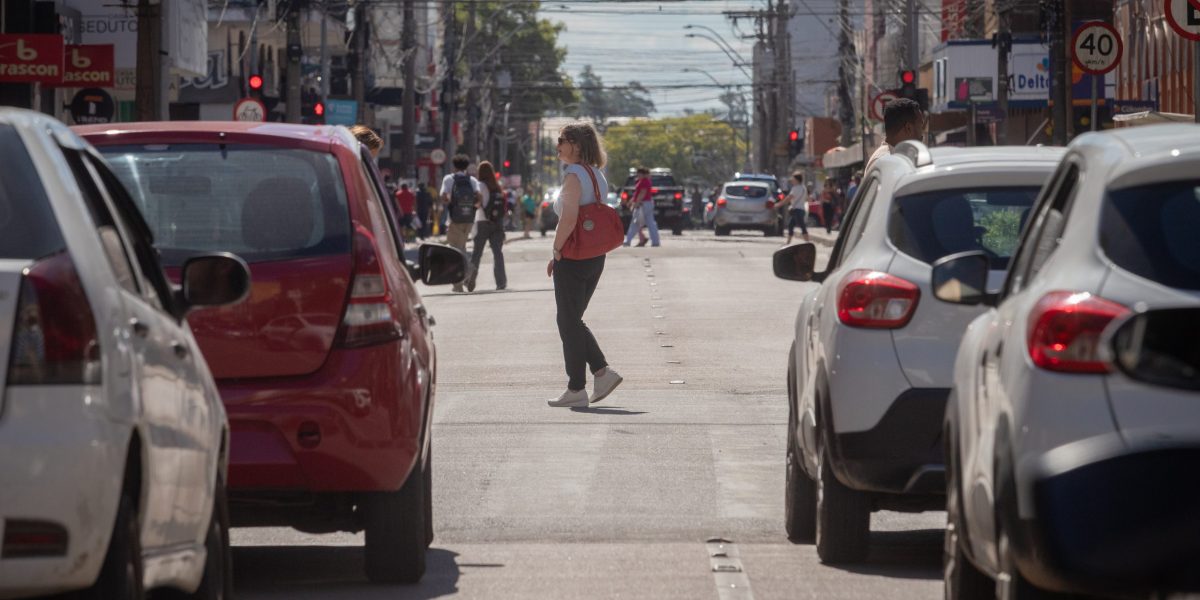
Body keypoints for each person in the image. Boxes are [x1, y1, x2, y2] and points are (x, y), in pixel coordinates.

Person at [546, 122, 622, 408]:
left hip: (574, 256)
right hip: (595, 255)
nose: (558, 146)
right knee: (572, 320)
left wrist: (556, 251)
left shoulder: (573, 175)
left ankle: (585, 382)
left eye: (562, 140)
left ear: (576, 145)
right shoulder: (596, 175)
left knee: (568, 320)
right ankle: (593, 378)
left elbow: (567, 219)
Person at [464, 161, 510, 292]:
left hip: (482, 222)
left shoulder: (479, 185)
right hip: (497, 222)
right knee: (498, 253)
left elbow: (477, 203)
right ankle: (501, 282)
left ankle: (470, 279)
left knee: (477, 253)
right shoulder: (497, 187)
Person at [440, 154, 484, 293]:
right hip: (469, 218)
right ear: (466, 167)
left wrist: (449, 203)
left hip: (454, 219)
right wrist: (474, 208)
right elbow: (479, 196)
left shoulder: (448, 179)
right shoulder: (472, 180)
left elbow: (444, 196)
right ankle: (461, 280)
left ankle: (467, 274)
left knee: (454, 250)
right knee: (461, 247)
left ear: (454, 166)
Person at [865, 98, 926, 174]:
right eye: (920, 125)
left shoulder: (896, 158)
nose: (922, 132)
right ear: (908, 128)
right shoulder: (884, 162)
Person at [623, 167, 660, 247]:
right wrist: (631, 201)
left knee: (635, 223)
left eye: (639, 174)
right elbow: (637, 193)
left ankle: (628, 241)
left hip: (643, 204)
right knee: (650, 223)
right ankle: (655, 241)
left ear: (643, 174)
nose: (638, 175)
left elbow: (642, 193)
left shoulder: (644, 181)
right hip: (646, 203)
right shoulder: (643, 181)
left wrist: (636, 203)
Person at [782, 172, 810, 244]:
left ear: (797, 180)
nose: (792, 180)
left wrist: (779, 204)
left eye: (793, 179)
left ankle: (807, 242)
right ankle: (788, 242)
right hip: (801, 209)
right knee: (791, 225)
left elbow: (789, 197)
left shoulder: (795, 188)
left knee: (802, 226)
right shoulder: (804, 188)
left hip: (797, 210)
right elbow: (806, 198)